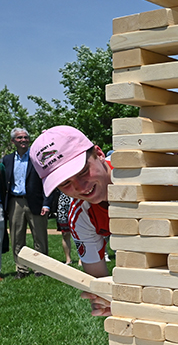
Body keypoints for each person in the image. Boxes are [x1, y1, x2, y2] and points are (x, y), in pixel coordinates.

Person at [30, 125, 113, 316]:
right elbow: (100, 284)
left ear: (99, 153)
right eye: (65, 183)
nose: (81, 187)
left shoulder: (146, 175)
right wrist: (105, 301)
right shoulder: (81, 216)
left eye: (83, 171)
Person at [2, 128, 54, 278]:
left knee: (40, 237)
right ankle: (21, 269)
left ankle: (40, 269)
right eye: (19, 138)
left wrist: (47, 203)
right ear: (13, 141)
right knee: (17, 238)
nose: (23, 140)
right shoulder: (7, 160)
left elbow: (48, 180)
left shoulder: (37, 157)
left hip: (36, 202)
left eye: (25, 137)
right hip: (15, 202)